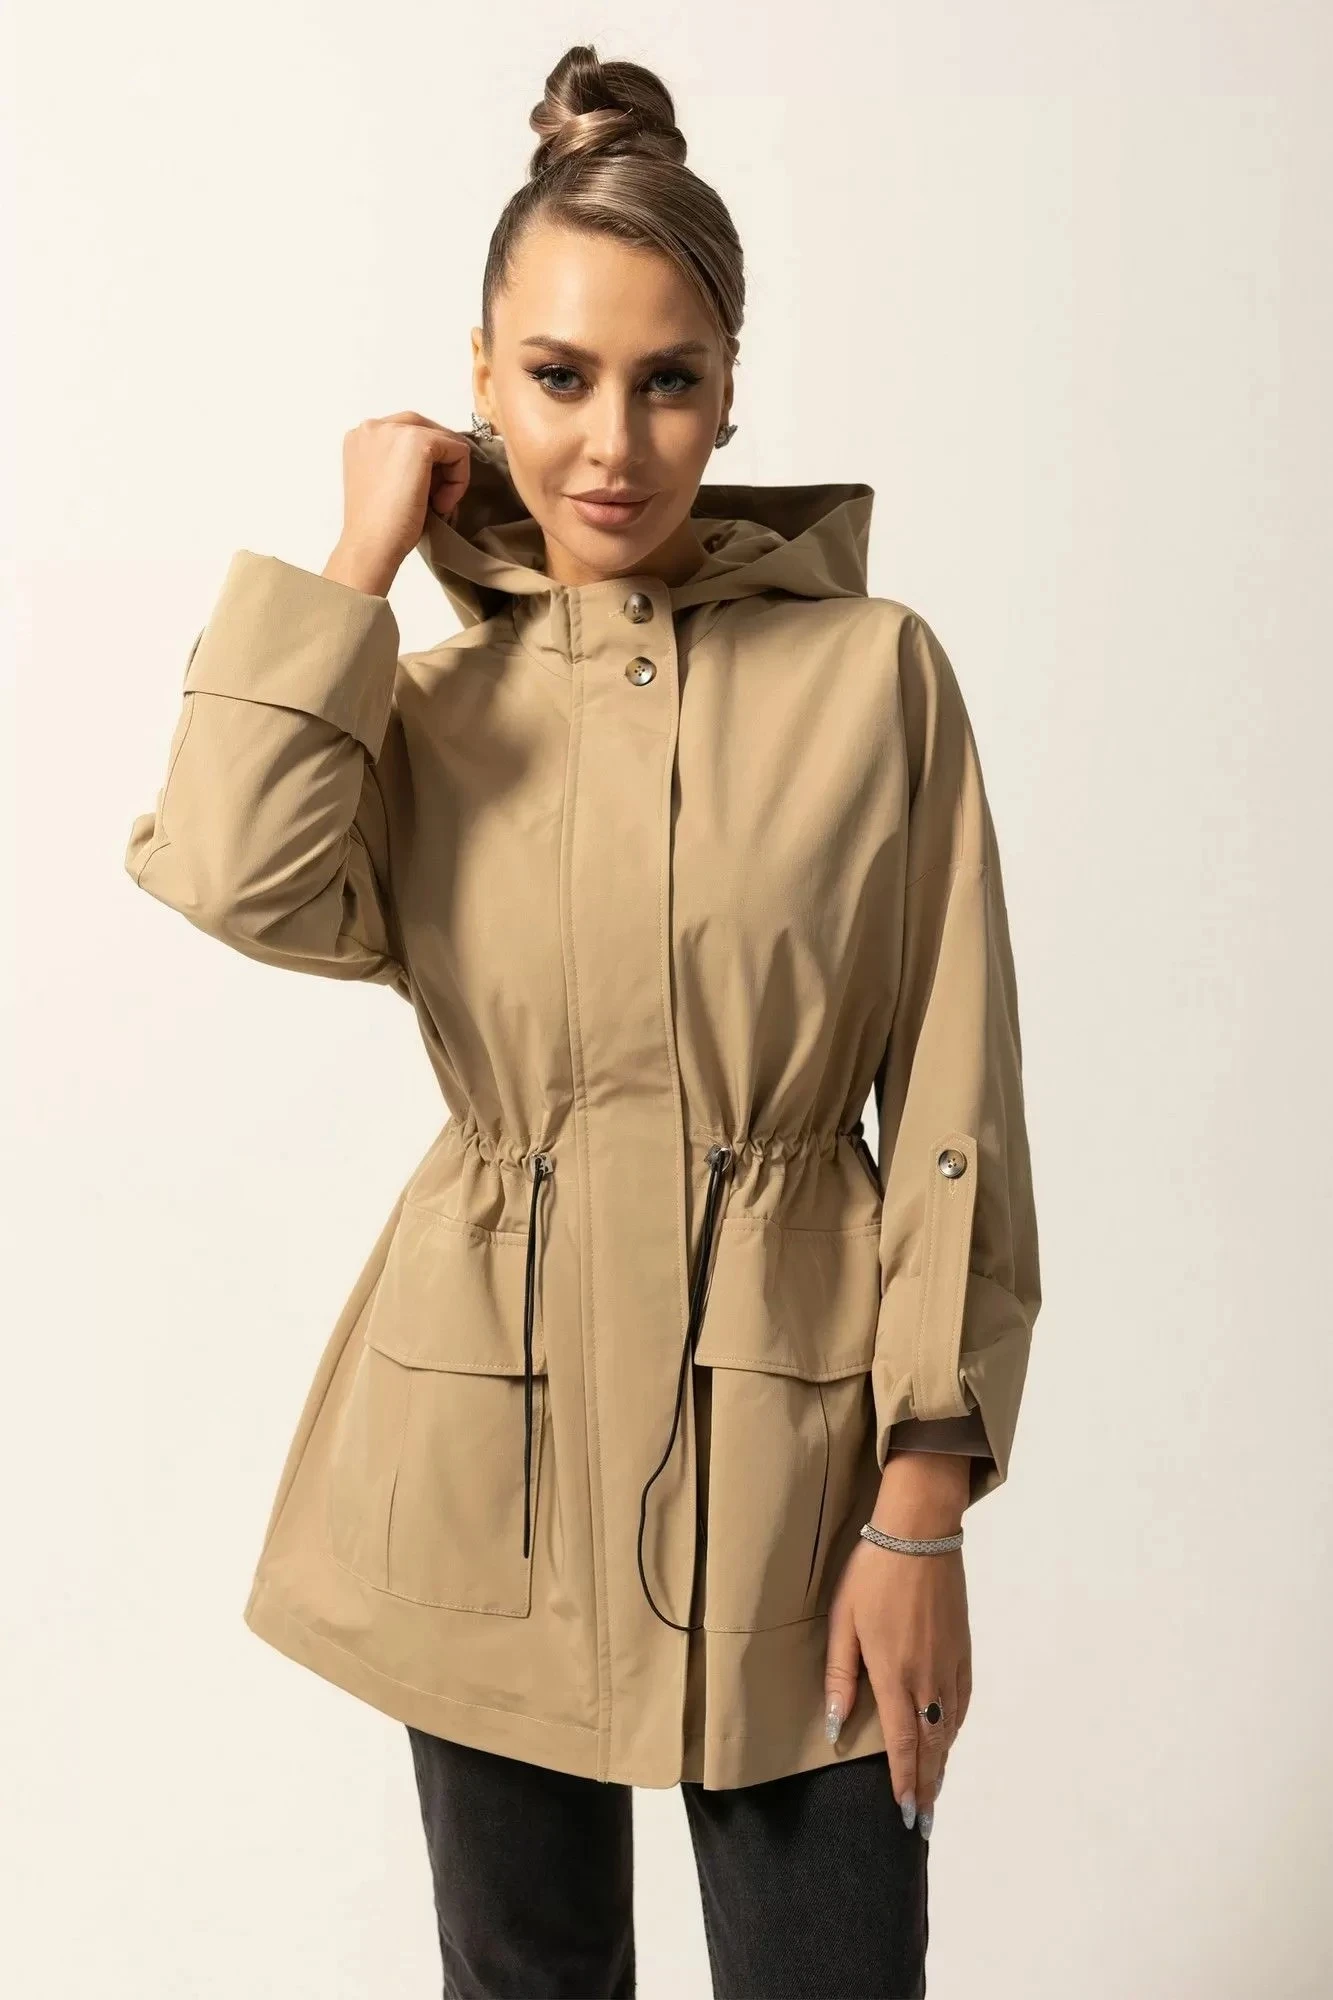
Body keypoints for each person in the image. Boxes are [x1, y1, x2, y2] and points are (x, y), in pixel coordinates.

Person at [124, 40, 1040, 2000]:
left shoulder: (875, 679)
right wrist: (356, 560)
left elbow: (957, 1102)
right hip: (484, 1445)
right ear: (479, 377)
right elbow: (228, 869)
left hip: (803, 1463)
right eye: (557, 376)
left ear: (731, 388)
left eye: (667, 380)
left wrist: (923, 1503)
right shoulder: (424, 712)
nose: (613, 442)